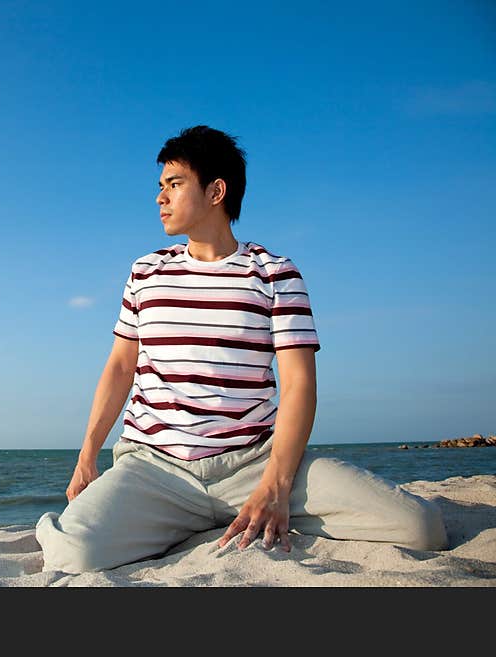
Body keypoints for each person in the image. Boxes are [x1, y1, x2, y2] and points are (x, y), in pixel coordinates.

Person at [35, 125, 448, 574]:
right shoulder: (146, 272)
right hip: (156, 470)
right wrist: (87, 455)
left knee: (421, 528)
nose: (160, 198)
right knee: (72, 553)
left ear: (216, 191)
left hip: (254, 461)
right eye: (160, 187)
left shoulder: (275, 274)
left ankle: (223, 513)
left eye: (174, 185)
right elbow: (119, 367)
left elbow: (298, 386)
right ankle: (176, 518)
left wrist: (276, 483)